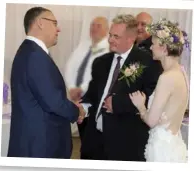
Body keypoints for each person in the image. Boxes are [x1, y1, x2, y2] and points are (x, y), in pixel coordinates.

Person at [78, 14, 163, 161]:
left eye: (116, 36)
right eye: (110, 35)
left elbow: (151, 98)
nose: (110, 40)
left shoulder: (149, 62)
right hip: (94, 141)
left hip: (124, 144)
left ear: (130, 39)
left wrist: (118, 104)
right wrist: (82, 108)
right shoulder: (100, 62)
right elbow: (93, 93)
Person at [7, 7, 79, 158]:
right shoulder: (35, 56)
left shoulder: (30, 51)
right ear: (40, 23)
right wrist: (77, 111)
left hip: (36, 140)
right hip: (41, 144)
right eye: (54, 23)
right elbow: (53, 102)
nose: (58, 29)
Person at [129, 18, 188, 162]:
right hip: (174, 143)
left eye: (153, 44)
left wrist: (141, 105)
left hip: (162, 149)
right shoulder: (181, 72)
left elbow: (151, 121)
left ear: (164, 48)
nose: (150, 47)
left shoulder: (166, 77)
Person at [64, 16, 109, 141]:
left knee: (93, 137)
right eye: (92, 25)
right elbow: (70, 65)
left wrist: (81, 89)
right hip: (76, 97)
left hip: (94, 100)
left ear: (107, 29)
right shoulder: (84, 44)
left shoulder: (109, 49)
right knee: (83, 133)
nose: (94, 28)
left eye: (98, 26)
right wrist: (72, 87)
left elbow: (98, 76)